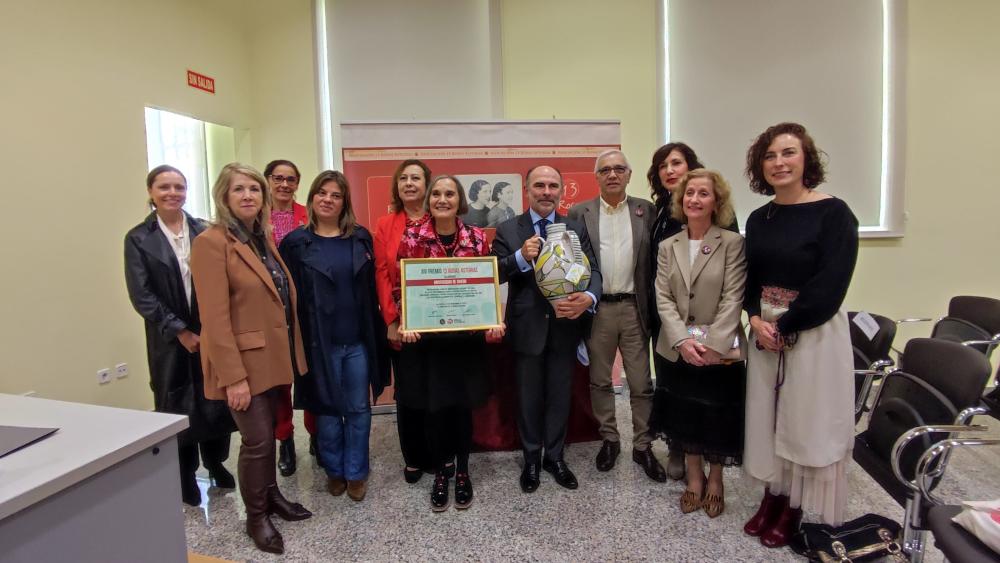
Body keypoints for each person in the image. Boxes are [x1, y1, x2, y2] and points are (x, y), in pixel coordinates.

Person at [741, 122, 858, 546]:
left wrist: (785, 326)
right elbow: (749, 279)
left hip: (812, 328)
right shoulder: (759, 217)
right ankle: (772, 496)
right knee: (768, 418)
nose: (779, 162)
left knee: (801, 420)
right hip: (765, 331)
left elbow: (831, 283)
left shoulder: (834, 213)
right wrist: (754, 318)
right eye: (770, 156)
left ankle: (793, 508)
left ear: (806, 158)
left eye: (788, 153)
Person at [192, 163, 312, 555]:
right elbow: (213, 318)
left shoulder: (261, 238)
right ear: (223, 196)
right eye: (239, 189)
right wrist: (233, 378)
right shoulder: (211, 243)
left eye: (254, 190)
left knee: (272, 434)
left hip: (272, 357)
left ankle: (272, 496)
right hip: (242, 364)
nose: (248, 196)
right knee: (257, 441)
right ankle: (256, 517)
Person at [124, 165, 235, 507]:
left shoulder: (204, 230)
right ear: (151, 192)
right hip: (169, 340)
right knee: (178, 406)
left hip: (210, 332)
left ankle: (216, 463)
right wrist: (180, 330)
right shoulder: (139, 239)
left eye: (179, 186)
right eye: (164, 187)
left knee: (216, 401)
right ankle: (185, 473)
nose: (172, 193)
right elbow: (142, 295)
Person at [278, 171, 390, 503]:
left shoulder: (360, 238)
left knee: (357, 409)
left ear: (345, 202)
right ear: (312, 198)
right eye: (321, 193)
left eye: (336, 195)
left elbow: (373, 288)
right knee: (326, 410)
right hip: (318, 345)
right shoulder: (295, 244)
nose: (328, 199)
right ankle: (334, 470)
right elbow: (287, 298)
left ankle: (356, 472)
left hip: (357, 341)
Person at [395, 175, 504, 511]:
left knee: (461, 407)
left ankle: (463, 473)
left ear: (460, 201)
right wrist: (405, 321)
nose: (443, 199)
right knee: (435, 408)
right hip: (428, 341)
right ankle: (442, 471)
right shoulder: (412, 235)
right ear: (430, 200)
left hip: (466, 338)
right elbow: (402, 287)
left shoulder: (475, 237)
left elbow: (488, 284)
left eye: (450, 194)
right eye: (437, 194)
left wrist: (493, 319)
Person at [492, 165, 602, 493]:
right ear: (527, 190)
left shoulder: (574, 226)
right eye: (539, 185)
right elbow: (494, 272)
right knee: (527, 398)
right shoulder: (509, 228)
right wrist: (520, 257)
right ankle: (530, 459)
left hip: (566, 326)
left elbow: (593, 270)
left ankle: (554, 457)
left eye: (553, 186)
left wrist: (589, 297)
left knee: (559, 396)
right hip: (527, 328)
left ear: (561, 190)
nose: (546, 192)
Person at [652, 168, 747, 519]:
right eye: (689, 193)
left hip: (719, 351)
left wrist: (714, 345)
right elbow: (662, 296)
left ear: (716, 201)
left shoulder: (732, 243)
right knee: (686, 414)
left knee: (717, 414)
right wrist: (681, 340)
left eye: (703, 193)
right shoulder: (668, 245)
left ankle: (717, 480)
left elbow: (733, 297)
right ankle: (694, 477)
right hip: (678, 348)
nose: (694, 199)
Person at [567, 150, 663, 481]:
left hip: (635, 307)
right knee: (600, 380)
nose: (612, 174)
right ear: (596, 176)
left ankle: (643, 445)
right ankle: (609, 439)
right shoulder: (579, 212)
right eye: (605, 170)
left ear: (629, 174)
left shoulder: (645, 211)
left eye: (618, 169)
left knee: (640, 382)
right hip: (598, 309)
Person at [373, 159, 436, 483]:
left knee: (437, 389)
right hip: (404, 323)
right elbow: (382, 273)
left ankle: (437, 452)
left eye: (416, 178)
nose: (409, 183)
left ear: (427, 184)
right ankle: (413, 456)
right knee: (409, 392)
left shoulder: (442, 217)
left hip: (439, 321)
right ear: (397, 186)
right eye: (404, 178)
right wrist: (392, 319)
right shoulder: (386, 224)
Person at [263, 158, 313, 476]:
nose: (284, 184)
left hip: (307, 307)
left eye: (290, 179)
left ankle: (317, 435)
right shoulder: (256, 218)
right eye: (278, 178)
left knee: (310, 377)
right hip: (271, 309)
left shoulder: (308, 216)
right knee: (280, 381)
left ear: (297, 183)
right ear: (268, 180)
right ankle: (285, 439)